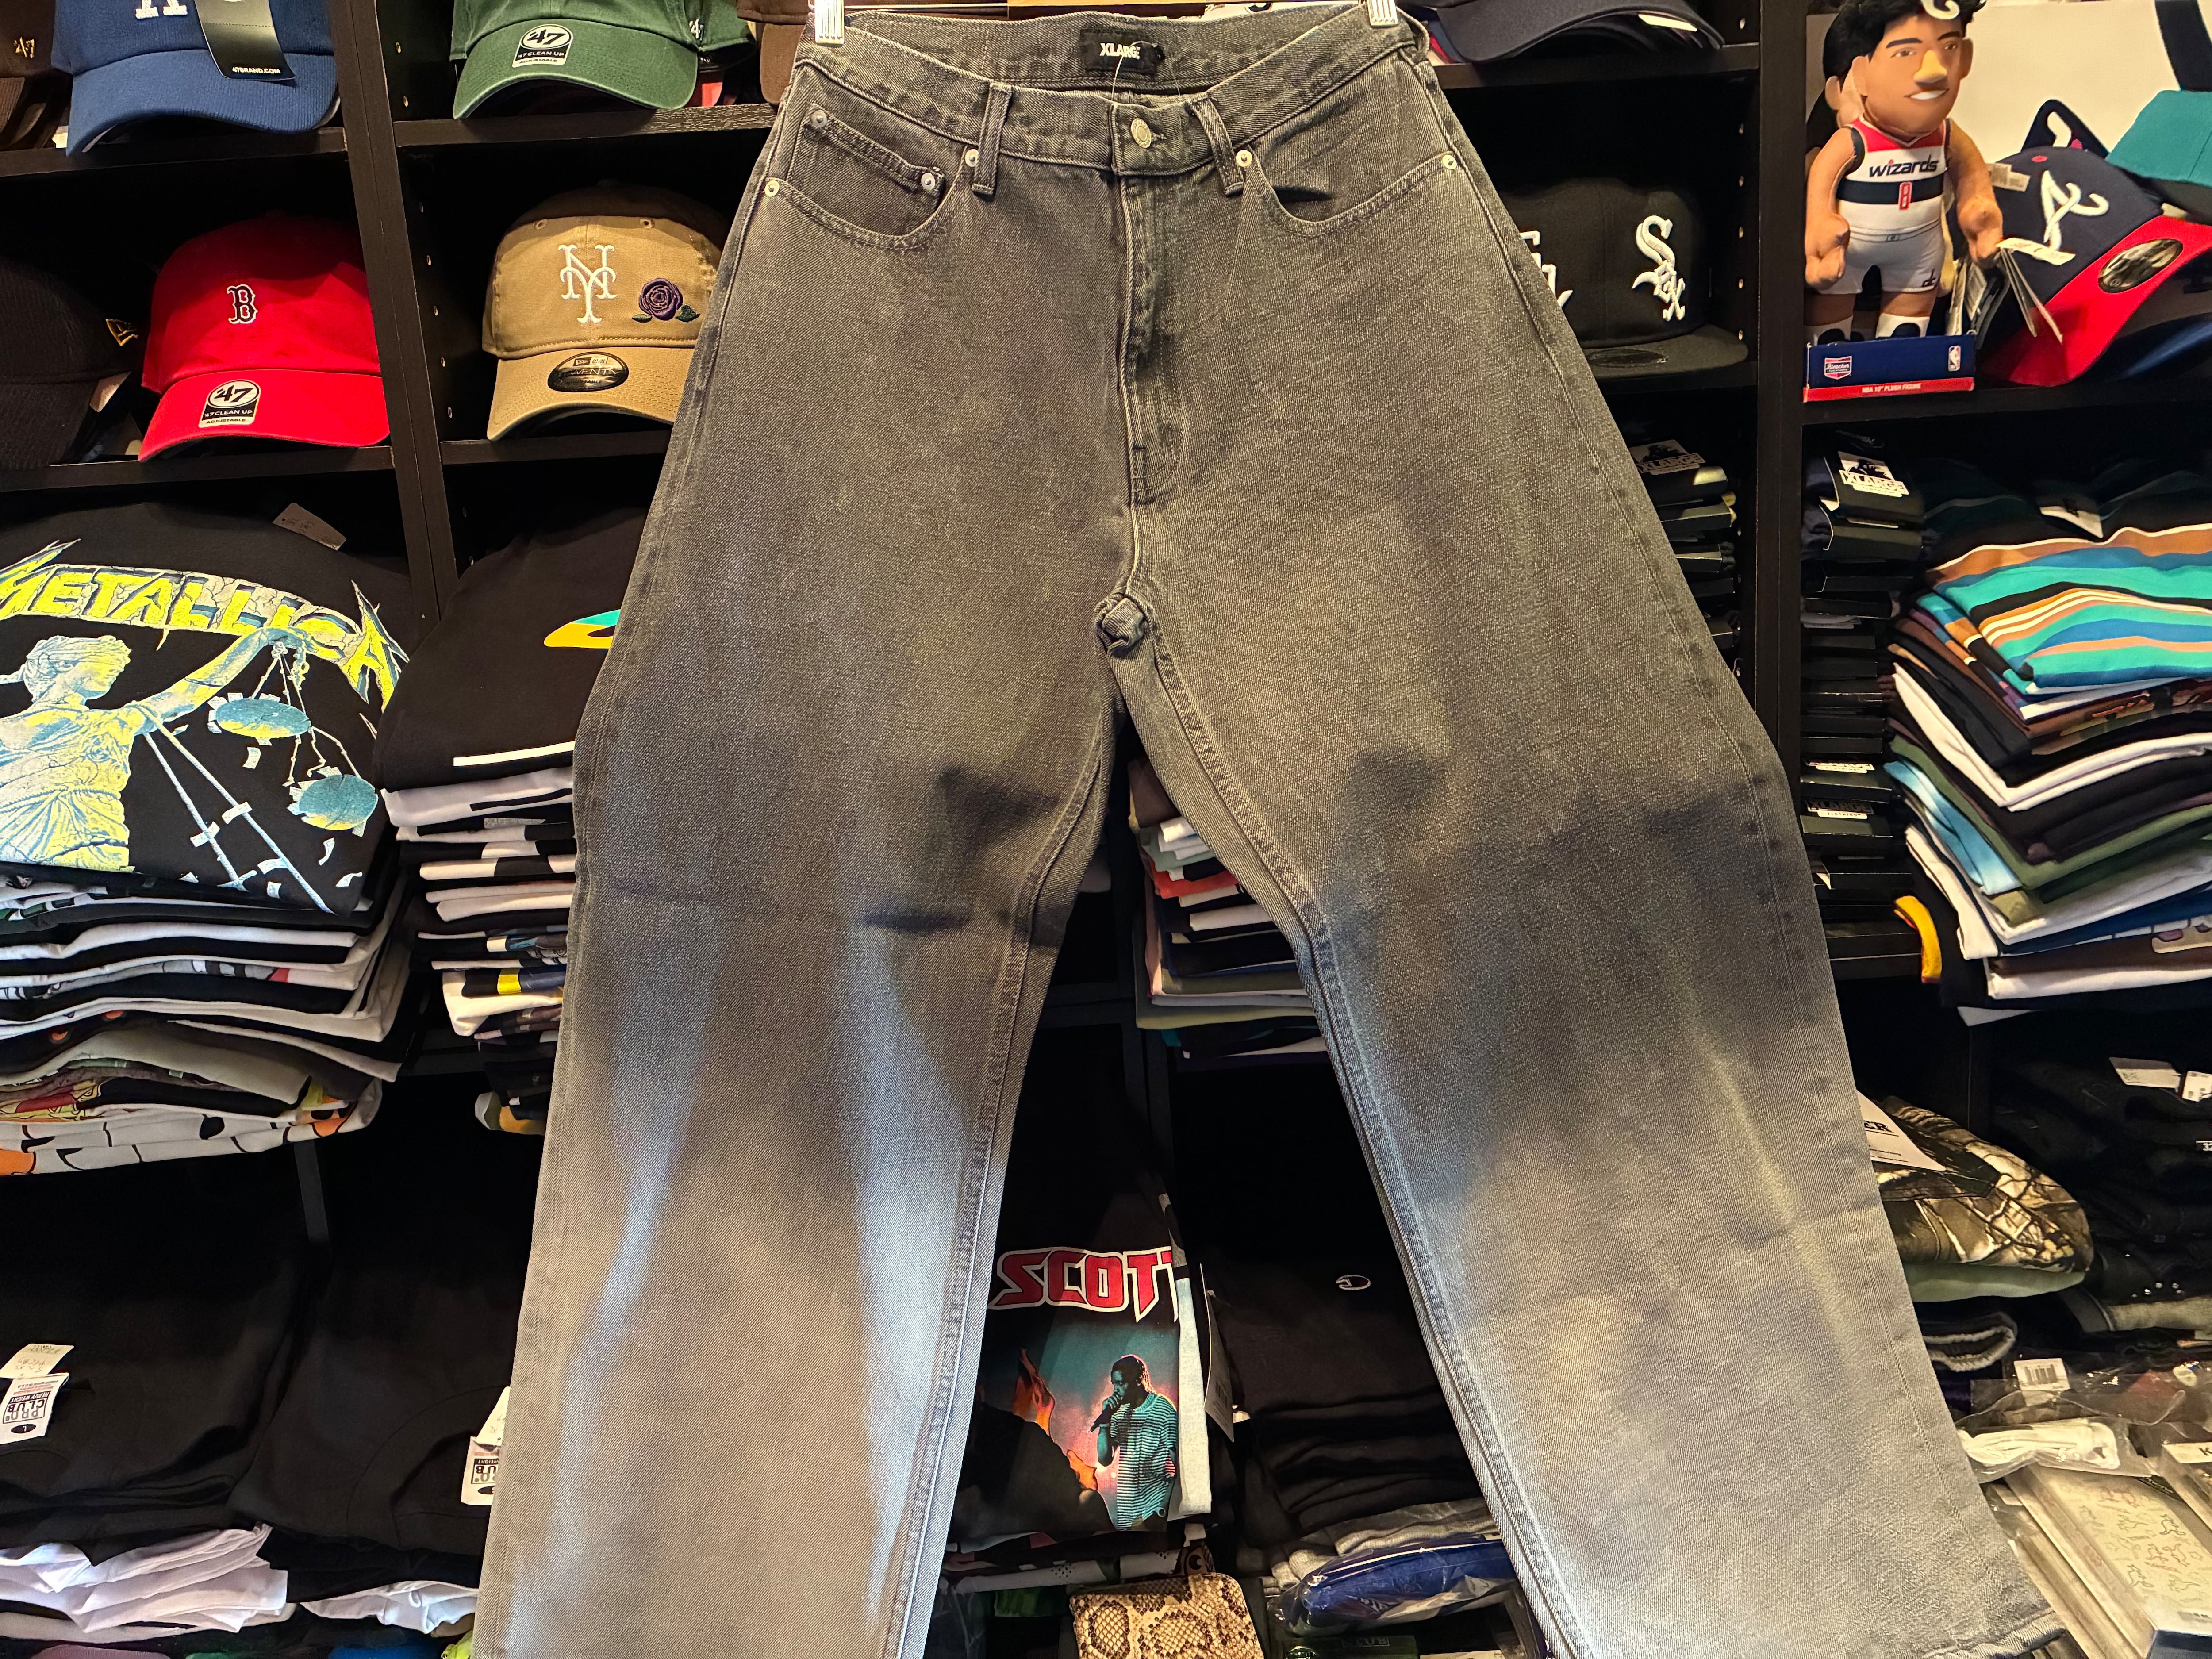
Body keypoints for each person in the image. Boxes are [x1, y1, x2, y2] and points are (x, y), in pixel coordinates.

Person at [0, 626, 307, 871]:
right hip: (13, 832)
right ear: (65, 663)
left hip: (93, 834)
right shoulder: (6, 727)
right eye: (106, 662)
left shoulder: (117, 722)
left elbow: (189, 693)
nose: (116, 671)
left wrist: (255, 641)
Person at [1805, 0, 2003, 344]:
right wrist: (1822, 233)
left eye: (1949, 49)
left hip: (1919, 252)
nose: (1933, 72)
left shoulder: (1946, 135)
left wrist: (1979, 211)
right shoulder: (1854, 139)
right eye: (1905, 53)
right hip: (1851, 247)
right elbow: (1821, 180)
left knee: (1907, 330)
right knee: (1831, 328)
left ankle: (1900, 354)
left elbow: (1971, 175)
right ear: (1862, 74)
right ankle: (1830, 349)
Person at [1091, 1354, 1177, 1530]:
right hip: (1128, 1515)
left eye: (1120, 1384)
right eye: (1114, 1385)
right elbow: (1105, 1459)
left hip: (1155, 1509)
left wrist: (1161, 1512)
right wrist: (1106, 1422)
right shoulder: (1119, 1412)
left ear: (1139, 1381)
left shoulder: (1163, 1409)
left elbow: (1181, 1467)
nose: (1116, 1390)